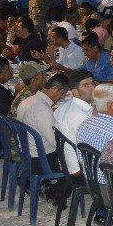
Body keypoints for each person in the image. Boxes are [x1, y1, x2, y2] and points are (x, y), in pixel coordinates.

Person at [17, 73, 72, 203]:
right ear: (54, 89)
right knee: (75, 160)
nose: (62, 97)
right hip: (39, 159)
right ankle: (55, 193)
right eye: (62, 93)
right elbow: (54, 143)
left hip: (26, 151)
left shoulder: (28, 100)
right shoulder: (42, 109)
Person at [76, 84, 113, 195]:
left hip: (90, 182)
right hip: (109, 190)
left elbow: (80, 157)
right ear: (111, 105)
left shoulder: (85, 124)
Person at [53, 69, 97, 176]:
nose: (93, 88)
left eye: (93, 83)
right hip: (79, 170)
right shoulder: (81, 116)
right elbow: (95, 147)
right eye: (86, 85)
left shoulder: (64, 105)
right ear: (75, 91)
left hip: (64, 162)